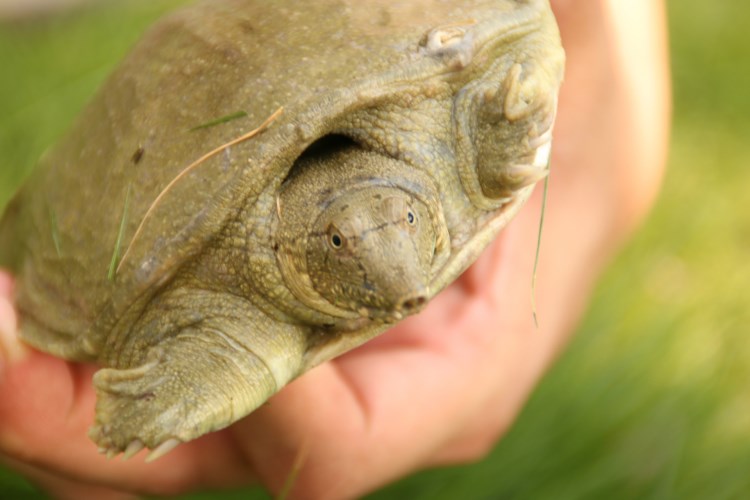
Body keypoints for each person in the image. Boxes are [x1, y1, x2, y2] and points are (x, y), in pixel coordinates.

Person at [0, 1, 670, 498]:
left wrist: (582, 137)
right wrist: (204, 377)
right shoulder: (241, 280)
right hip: (169, 139)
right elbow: (230, 345)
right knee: (241, 360)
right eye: (343, 245)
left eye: (410, 217)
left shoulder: (453, 141)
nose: (401, 281)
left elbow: (515, 67)